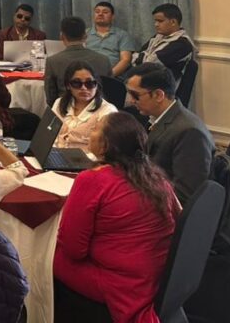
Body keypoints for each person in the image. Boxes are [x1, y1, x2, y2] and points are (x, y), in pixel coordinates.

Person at [54, 112, 180, 323]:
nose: (91, 132)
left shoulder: (92, 180)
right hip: (157, 275)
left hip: (120, 283)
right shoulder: (156, 177)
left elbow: (74, 250)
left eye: (95, 129)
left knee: (46, 254)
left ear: (104, 146)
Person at [126, 64, 214, 205]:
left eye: (135, 95)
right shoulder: (158, 119)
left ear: (159, 95)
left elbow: (186, 194)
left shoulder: (189, 132)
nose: (131, 100)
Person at [44, 16, 111, 106]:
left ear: (62, 36)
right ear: (85, 36)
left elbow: (51, 98)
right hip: (99, 111)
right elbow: (110, 94)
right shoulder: (104, 60)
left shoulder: (52, 61)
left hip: (65, 112)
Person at [51, 61, 117, 151]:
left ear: (97, 85)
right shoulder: (59, 103)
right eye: (77, 83)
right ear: (68, 85)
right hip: (57, 155)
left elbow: (106, 149)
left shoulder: (108, 111)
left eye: (89, 83)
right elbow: (50, 137)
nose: (84, 88)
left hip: (88, 161)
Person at [132, 3, 196, 81]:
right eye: (155, 21)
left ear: (173, 22)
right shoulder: (158, 36)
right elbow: (135, 55)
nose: (156, 24)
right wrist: (145, 58)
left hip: (163, 88)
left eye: (160, 21)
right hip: (147, 81)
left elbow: (149, 65)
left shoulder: (182, 44)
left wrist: (144, 57)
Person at [85, 1, 138, 77]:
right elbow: (79, 55)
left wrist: (109, 76)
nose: (100, 14)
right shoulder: (84, 34)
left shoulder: (122, 35)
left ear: (112, 16)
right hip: (86, 76)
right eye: (97, 12)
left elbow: (126, 60)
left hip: (113, 76)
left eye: (105, 12)